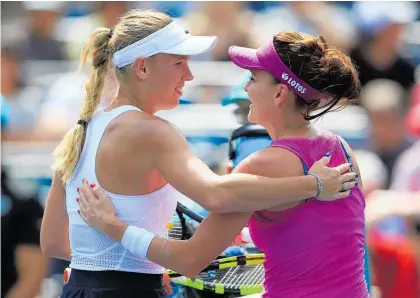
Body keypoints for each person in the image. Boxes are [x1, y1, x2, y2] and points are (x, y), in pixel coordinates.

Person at [40, 9, 356, 298]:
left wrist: (102, 265)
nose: (189, 76)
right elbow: (216, 195)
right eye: (179, 63)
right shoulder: (153, 131)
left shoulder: (77, 132)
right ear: (142, 67)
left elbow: (53, 241)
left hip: (79, 287)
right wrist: (313, 184)